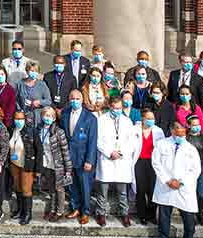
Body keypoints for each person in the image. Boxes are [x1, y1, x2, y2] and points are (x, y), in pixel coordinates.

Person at [151, 122, 202, 238]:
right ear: (172, 131)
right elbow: (156, 163)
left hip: (184, 188)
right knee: (164, 213)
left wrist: (181, 182)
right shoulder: (162, 144)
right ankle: (163, 237)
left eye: (183, 133)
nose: (180, 135)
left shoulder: (191, 149)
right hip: (166, 185)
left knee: (188, 217)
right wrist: (168, 180)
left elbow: (195, 170)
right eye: (178, 132)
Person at [95, 96, 138, 227]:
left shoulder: (127, 121)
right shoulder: (101, 120)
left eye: (120, 108)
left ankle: (125, 214)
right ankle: (101, 214)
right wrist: (109, 152)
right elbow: (97, 140)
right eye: (115, 108)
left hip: (121, 159)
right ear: (110, 107)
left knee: (122, 191)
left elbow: (132, 141)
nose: (117, 110)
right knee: (103, 191)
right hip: (107, 159)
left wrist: (121, 152)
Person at [60, 89, 98, 224]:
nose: (74, 101)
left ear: (82, 100)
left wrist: (89, 160)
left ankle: (85, 211)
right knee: (72, 185)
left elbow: (93, 141)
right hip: (69, 156)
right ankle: (75, 207)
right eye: (72, 99)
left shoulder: (90, 118)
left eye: (77, 99)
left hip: (83, 159)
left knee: (85, 186)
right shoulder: (64, 114)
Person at [37, 106, 73, 221]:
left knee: (59, 189)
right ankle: (52, 210)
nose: (48, 118)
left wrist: (68, 169)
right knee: (51, 188)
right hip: (46, 163)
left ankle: (59, 211)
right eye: (46, 115)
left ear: (54, 118)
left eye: (50, 116)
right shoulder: (39, 130)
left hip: (57, 164)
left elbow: (65, 151)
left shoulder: (59, 132)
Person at [135, 107, 165, 224]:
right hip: (139, 162)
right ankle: (141, 215)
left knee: (153, 190)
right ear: (142, 118)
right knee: (141, 190)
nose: (151, 120)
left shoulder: (158, 131)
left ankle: (151, 215)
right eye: (148, 118)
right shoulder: (134, 130)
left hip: (153, 163)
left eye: (152, 118)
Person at [8, 108, 36, 224]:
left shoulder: (31, 131)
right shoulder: (12, 130)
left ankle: (28, 213)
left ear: (25, 119)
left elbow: (39, 149)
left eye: (21, 118)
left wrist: (38, 169)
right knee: (18, 187)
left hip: (26, 165)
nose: (18, 121)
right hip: (14, 164)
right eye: (16, 118)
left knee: (26, 189)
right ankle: (20, 210)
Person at [185, 114, 203, 226]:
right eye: (194, 125)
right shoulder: (185, 138)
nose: (197, 127)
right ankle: (191, 215)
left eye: (198, 124)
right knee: (190, 192)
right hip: (189, 169)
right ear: (189, 126)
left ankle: (201, 214)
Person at [16, 61, 51, 125]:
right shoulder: (20, 83)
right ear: (27, 71)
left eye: (36, 71)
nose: (34, 73)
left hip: (37, 118)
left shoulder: (42, 85)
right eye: (32, 71)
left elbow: (48, 101)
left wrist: (39, 102)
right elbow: (16, 99)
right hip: (23, 117)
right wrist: (19, 110)